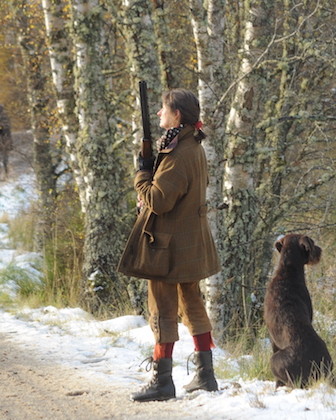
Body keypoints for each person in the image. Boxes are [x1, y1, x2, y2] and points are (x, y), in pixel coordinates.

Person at [118, 88, 222, 402]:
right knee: (192, 305)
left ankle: (162, 381)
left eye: (164, 109)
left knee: (162, 310)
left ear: (177, 115)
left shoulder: (180, 153)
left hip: (168, 245)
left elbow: (159, 200)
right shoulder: (188, 144)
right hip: (186, 242)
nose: (160, 114)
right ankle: (206, 375)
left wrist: (141, 174)